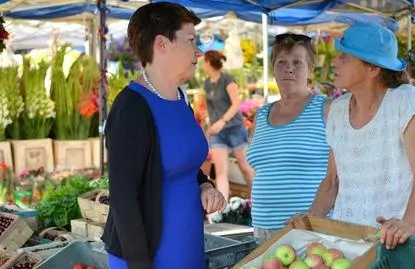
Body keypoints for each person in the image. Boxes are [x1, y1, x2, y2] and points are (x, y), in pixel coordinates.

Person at [102, 3, 226, 269]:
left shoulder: (180, 98)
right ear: (162, 44)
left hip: (186, 245)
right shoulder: (131, 108)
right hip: (147, 256)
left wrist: (204, 184)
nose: (198, 51)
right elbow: (124, 198)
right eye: (191, 41)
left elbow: (183, 161)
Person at [306, 24, 415, 250]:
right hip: (347, 241)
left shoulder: (404, 101)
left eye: (344, 57)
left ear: (373, 69)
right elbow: (331, 182)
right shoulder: (337, 109)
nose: (335, 62)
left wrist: (409, 224)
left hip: (396, 242)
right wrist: (307, 223)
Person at [247, 33, 331, 244]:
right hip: (262, 228)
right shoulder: (261, 114)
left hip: (310, 228)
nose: (289, 68)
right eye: (281, 62)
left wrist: (313, 215)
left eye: (297, 62)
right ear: (273, 68)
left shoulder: (326, 108)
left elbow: (339, 174)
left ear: (310, 69)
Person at [202, 50, 255, 200]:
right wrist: (209, 124)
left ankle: (257, 202)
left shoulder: (227, 79)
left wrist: (222, 121)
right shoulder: (207, 83)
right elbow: (211, 108)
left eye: (204, 62)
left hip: (234, 128)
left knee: (245, 168)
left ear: (209, 62)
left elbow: (236, 104)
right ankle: (223, 209)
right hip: (218, 133)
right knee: (220, 172)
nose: (202, 65)